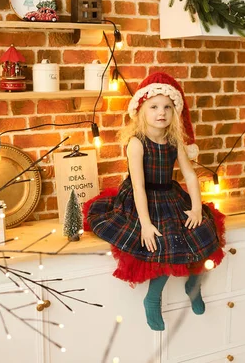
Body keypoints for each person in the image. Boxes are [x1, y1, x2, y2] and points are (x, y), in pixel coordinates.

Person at [84, 72, 225, 331]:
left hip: (169, 195)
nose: (161, 112)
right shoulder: (137, 144)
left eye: (167, 107)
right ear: (141, 111)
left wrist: (195, 207)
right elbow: (138, 187)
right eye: (154, 107)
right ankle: (153, 296)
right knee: (161, 243)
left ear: (174, 112)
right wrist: (146, 225)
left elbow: (191, 176)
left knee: (204, 230)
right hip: (142, 200)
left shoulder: (174, 141)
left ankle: (194, 284)